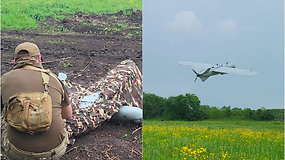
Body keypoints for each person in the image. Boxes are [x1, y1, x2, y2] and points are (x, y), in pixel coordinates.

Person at [1, 42, 72, 160]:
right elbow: (67, 114)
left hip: (18, 154)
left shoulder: (4, 80)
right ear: (39, 59)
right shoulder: (54, 79)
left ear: (14, 61)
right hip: (54, 153)